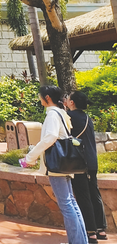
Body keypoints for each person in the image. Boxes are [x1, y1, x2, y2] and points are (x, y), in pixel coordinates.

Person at [21, 85, 88, 244]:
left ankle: (76, 242)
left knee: (67, 204)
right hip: (65, 162)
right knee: (71, 203)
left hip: (56, 165)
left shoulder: (52, 115)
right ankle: (80, 241)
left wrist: (30, 157)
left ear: (47, 98)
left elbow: (50, 138)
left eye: (40, 96)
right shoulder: (62, 113)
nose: (39, 98)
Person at [66, 90, 108, 243]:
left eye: (68, 98)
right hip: (91, 161)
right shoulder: (86, 117)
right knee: (94, 193)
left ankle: (90, 233)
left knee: (83, 197)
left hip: (79, 162)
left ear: (72, 102)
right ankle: (101, 229)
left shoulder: (70, 117)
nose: (66, 99)